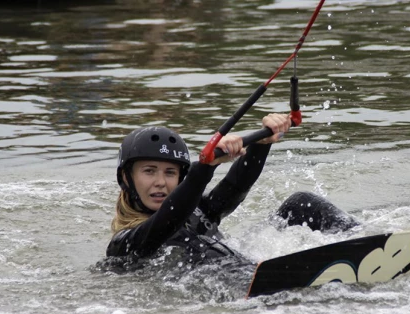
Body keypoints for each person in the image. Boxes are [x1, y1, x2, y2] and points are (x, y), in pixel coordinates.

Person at [104, 113, 359, 268]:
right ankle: (267, 277)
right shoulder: (125, 244)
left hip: (243, 264)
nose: (160, 182)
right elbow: (168, 221)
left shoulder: (196, 214)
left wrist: (261, 144)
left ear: (181, 178)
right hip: (230, 287)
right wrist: (205, 167)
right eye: (149, 171)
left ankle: (368, 243)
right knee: (180, 235)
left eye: (170, 173)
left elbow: (234, 188)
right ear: (127, 178)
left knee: (301, 203)